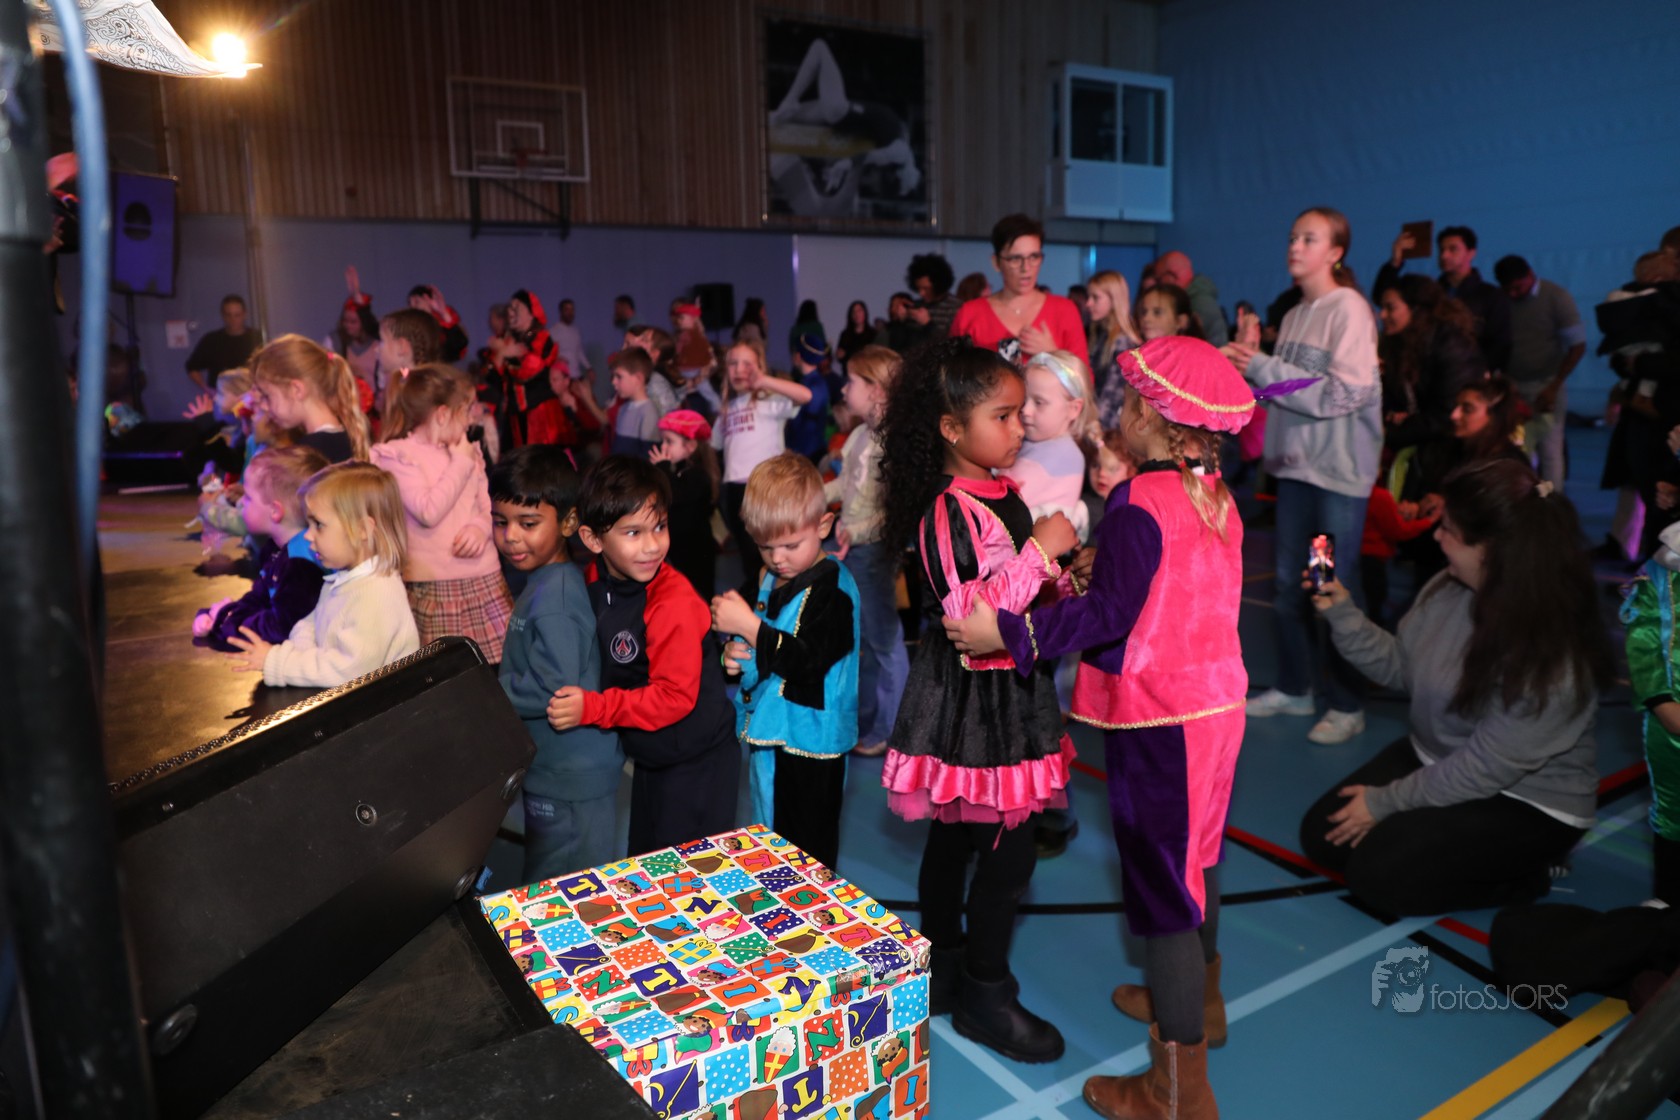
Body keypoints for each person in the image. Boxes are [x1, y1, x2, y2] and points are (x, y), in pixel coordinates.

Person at [946, 335, 1253, 1120]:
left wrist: (1007, 632)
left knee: (1163, 892)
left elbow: (1114, 615)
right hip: (1217, 710)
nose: (1121, 412)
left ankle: (1177, 1089)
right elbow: (1164, 593)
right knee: (1199, 861)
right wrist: (1099, 572)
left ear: (1151, 415)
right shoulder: (1212, 492)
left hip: (1162, 719)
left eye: (1129, 401)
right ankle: (1200, 1004)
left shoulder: (1139, 499)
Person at [875, 337, 1077, 1063]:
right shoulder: (947, 511)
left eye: (1022, 413)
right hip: (972, 700)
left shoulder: (1003, 491)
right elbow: (971, 617)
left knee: (959, 837)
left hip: (1011, 691)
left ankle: (945, 967)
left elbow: (1024, 593)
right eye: (1003, 415)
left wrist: (1061, 577)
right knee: (1002, 853)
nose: (1020, 428)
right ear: (952, 428)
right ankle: (983, 993)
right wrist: (1042, 553)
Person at [1300, 458, 1613, 916]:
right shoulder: (1449, 585)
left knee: (1379, 877)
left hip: (1526, 799)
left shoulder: (1550, 652)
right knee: (1322, 837)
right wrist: (1343, 614)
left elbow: (1483, 770)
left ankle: (1529, 875)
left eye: (1448, 528)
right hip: (1442, 756)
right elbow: (1401, 668)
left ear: (1490, 550)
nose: (1436, 536)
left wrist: (1385, 802)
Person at [1225, 206, 1382, 745]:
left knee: (1326, 585)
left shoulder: (1350, 310)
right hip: (1295, 475)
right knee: (1289, 587)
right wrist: (1247, 364)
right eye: (1293, 236)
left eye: (1309, 239)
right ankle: (1295, 688)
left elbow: (1343, 393)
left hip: (1332, 480)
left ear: (1335, 252)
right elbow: (1280, 393)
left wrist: (1262, 366)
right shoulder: (1293, 315)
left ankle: (1346, 702)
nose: (1295, 246)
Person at [546, 457, 741, 855]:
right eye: (633, 532)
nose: (652, 545)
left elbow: (673, 697)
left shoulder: (672, 603)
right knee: (647, 859)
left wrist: (593, 708)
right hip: (652, 755)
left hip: (697, 762)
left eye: (660, 526)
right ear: (593, 540)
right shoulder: (595, 578)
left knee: (689, 874)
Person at [711, 453, 859, 870]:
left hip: (814, 748)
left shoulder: (836, 591)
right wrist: (730, 654)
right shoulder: (770, 577)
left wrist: (750, 628)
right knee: (770, 837)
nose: (778, 559)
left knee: (808, 853)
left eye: (791, 545)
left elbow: (807, 660)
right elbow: (748, 642)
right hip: (772, 733)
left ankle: (812, 908)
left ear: (823, 527)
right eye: (765, 546)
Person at [492, 445, 623, 880]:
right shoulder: (546, 582)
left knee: (565, 889)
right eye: (501, 522)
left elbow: (553, 688)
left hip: (570, 779)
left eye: (528, 523)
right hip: (558, 771)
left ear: (568, 522)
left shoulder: (557, 600)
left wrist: (490, 691)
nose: (511, 536)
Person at [225, 461, 420, 686]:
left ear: (362, 530)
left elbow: (348, 671)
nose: (307, 536)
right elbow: (308, 625)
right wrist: (304, 655)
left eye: (318, 524)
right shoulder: (340, 579)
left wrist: (278, 662)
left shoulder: (377, 595)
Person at [369, 364, 513, 663]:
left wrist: (480, 527)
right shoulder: (399, 456)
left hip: (483, 580)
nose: (471, 418)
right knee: (444, 671)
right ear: (443, 414)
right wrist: (460, 464)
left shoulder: (466, 450)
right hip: (434, 587)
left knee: (495, 667)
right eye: (466, 410)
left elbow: (488, 504)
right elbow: (428, 510)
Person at [827, 346, 907, 760]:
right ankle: (870, 718)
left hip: (873, 551)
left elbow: (894, 512)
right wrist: (809, 497)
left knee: (885, 641)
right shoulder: (860, 435)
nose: (844, 389)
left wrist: (854, 530)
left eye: (851, 381)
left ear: (876, 389)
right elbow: (845, 486)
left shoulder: (895, 443)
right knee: (864, 641)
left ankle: (893, 728)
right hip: (853, 548)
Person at [193, 445, 330, 650]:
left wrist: (227, 624)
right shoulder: (275, 547)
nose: (242, 502)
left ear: (275, 511)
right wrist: (228, 613)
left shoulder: (301, 563)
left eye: (248, 497)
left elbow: (283, 628)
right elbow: (261, 597)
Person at [713, 339, 815, 590]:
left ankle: (783, 598)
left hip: (766, 488)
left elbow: (806, 395)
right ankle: (761, 601)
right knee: (749, 556)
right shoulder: (726, 410)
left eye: (747, 364)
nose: (739, 369)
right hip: (735, 491)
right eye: (733, 363)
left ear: (760, 367)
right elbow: (714, 444)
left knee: (773, 551)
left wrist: (764, 382)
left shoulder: (770, 402)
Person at [1623, 522, 1680, 904]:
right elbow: (1642, 634)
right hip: (1671, 724)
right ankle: (1669, 901)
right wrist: (1661, 701)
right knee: (1673, 812)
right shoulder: (1664, 566)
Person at [951, 214, 1089, 369]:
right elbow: (952, 376)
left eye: (1034, 257)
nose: (1026, 268)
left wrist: (1052, 354)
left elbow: (1084, 379)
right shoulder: (970, 314)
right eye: (1015, 259)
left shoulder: (1064, 310)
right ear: (996, 262)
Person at [1494, 255, 1587, 486]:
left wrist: (1554, 386)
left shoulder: (1557, 298)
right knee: (1516, 449)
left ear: (1530, 275)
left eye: (1517, 288)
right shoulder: (1501, 300)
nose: (1513, 294)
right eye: (1507, 290)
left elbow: (1578, 346)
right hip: (1512, 386)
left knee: (1550, 451)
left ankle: (1551, 502)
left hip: (1547, 384)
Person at [1375, 225, 1512, 374]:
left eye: (1453, 249)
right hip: (1432, 373)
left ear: (1471, 253)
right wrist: (1395, 262)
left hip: (1472, 374)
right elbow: (1385, 297)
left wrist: (1483, 370)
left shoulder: (1490, 296)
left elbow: (1501, 342)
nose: (1444, 255)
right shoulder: (1430, 292)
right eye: (1441, 250)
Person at [1374, 274, 1484, 456]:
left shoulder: (1451, 344)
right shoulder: (1397, 344)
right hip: (1423, 446)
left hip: (1455, 449)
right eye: (1381, 307)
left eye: (1390, 308)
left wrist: (1393, 432)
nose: (1382, 315)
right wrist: (1393, 413)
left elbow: (1448, 412)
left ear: (1416, 309)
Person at [248, 334, 371, 463]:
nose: (263, 406)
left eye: (267, 396)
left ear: (297, 390)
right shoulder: (345, 439)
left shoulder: (310, 454)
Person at [649, 409, 720, 596]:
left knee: (698, 593)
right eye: (663, 441)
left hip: (696, 549)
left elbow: (675, 495)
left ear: (690, 446)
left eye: (669, 441)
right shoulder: (680, 471)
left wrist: (662, 467)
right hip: (681, 547)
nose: (663, 447)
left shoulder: (698, 474)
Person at [495, 289, 563, 449]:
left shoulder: (542, 338)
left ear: (531, 313)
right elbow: (492, 375)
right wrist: (501, 354)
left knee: (541, 457)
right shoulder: (508, 340)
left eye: (516, 308)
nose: (510, 312)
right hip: (515, 415)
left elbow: (527, 371)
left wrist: (504, 354)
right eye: (509, 308)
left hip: (539, 413)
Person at [1086, 270, 1142, 428]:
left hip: (1109, 428)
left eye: (1095, 297)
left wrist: (1098, 428)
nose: (1088, 303)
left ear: (1114, 300)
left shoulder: (1122, 343)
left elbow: (1113, 396)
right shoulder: (1100, 336)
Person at [186, 294, 264, 390]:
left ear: (244, 315)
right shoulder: (212, 340)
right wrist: (207, 389)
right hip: (221, 394)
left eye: (237, 315)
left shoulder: (257, 338)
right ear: (223, 315)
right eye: (228, 315)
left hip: (251, 393)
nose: (233, 319)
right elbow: (192, 367)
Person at [1152, 251, 1229, 346]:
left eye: (1159, 279)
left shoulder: (1197, 305)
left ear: (1172, 275)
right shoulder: (1199, 299)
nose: (1158, 286)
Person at [785, 332, 833, 462]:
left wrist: (794, 449)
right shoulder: (812, 382)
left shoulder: (815, 385)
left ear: (798, 356)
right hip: (804, 451)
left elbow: (809, 425)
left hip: (808, 454)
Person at [606, 348, 662, 459]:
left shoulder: (648, 412)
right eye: (613, 377)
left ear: (638, 378)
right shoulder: (623, 408)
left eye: (619, 377)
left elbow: (647, 456)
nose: (613, 382)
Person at [333, 266, 383, 386]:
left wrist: (357, 295)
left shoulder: (377, 345)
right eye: (345, 321)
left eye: (353, 322)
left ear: (364, 322)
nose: (348, 325)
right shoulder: (339, 343)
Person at [406, 284, 468, 364]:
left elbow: (458, 346)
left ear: (429, 301)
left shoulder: (445, 320)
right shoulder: (411, 328)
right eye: (410, 304)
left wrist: (444, 313)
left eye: (417, 302)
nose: (413, 307)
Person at [907, 253, 960, 341]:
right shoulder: (916, 306)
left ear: (938, 284)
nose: (921, 293)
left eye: (926, 288)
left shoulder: (955, 307)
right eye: (918, 288)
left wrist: (928, 324)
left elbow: (951, 342)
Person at [551, 298, 592, 387]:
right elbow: (548, 354)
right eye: (567, 309)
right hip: (563, 377)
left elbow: (579, 352)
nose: (570, 313)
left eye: (572, 310)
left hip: (577, 375)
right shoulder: (553, 331)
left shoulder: (576, 331)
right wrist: (558, 359)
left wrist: (589, 367)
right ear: (561, 312)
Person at [835, 300, 879, 375]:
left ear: (865, 313)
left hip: (867, 373)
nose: (857, 314)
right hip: (849, 373)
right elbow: (841, 356)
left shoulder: (873, 334)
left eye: (859, 311)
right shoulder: (845, 334)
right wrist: (839, 355)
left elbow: (872, 355)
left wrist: (847, 354)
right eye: (854, 312)